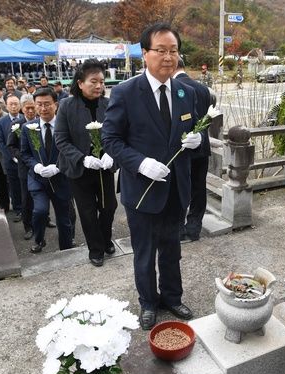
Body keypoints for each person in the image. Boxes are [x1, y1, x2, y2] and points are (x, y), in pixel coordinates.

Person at [102, 22, 200, 330]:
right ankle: (147, 302)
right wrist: (141, 163)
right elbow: (111, 139)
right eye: (161, 50)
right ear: (145, 54)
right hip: (141, 189)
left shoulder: (186, 91)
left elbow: (195, 128)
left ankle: (172, 296)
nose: (168, 57)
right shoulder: (125, 92)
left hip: (175, 189)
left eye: (173, 51)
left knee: (172, 247)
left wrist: (196, 141)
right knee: (144, 252)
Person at [55, 59, 117, 267]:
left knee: (109, 207)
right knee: (88, 211)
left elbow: (117, 134)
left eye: (102, 81)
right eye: (93, 81)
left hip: (104, 167)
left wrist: (111, 154)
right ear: (80, 83)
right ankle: (96, 249)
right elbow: (61, 139)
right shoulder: (66, 106)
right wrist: (83, 158)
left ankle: (106, 238)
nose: (99, 86)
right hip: (79, 169)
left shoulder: (109, 105)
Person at [20, 87, 74, 254]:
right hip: (38, 178)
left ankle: (66, 247)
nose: (43, 108)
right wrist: (36, 166)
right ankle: (38, 239)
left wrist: (58, 167)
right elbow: (25, 153)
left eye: (47, 104)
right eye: (39, 105)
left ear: (55, 105)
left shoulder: (66, 126)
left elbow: (72, 150)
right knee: (40, 211)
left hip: (61, 178)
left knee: (64, 217)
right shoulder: (28, 127)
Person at [173, 58, 211, 243]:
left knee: (180, 188)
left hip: (182, 149)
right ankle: (194, 227)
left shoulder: (173, 87)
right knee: (199, 187)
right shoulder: (203, 88)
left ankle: (179, 228)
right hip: (201, 146)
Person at [8, 95, 36, 240]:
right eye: (27, 108)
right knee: (27, 199)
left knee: (44, 194)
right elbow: (11, 145)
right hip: (25, 168)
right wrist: (21, 156)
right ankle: (28, 226)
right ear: (22, 109)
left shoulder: (40, 122)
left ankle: (46, 219)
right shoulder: (17, 124)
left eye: (33, 107)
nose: (31, 111)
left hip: (41, 166)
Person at [0, 95, 23, 221]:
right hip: (10, 160)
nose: (13, 106)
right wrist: (13, 157)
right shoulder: (0, 122)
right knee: (14, 185)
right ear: (6, 106)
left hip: (25, 159)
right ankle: (18, 209)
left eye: (16, 103)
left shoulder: (25, 119)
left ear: (20, 105)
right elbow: (0, 143)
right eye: (11, 104)